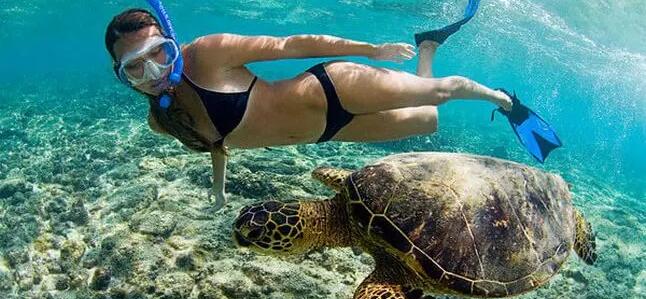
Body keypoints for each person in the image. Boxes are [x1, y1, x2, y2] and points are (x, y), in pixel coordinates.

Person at [104, 8, 513, 210]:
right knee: (428, 121)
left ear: (170, 43)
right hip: (330, 131)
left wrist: (372, 51)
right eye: (135, 67)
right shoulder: (162, 118)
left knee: (439, 94)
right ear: (121, 74)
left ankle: (503, 100)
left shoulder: (207, 53)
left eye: (159, 53)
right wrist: (218, 187)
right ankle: (428, 47)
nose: (153, 71)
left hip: (331, 88)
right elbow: (214, 141)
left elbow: (290, 45)